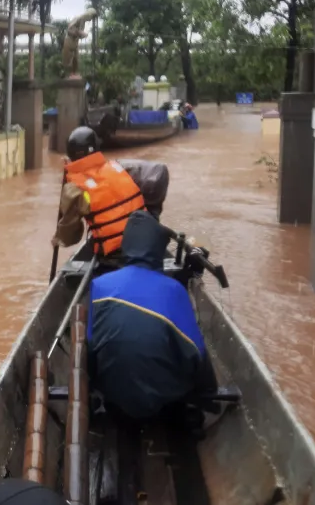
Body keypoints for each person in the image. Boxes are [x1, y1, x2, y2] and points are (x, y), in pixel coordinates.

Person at [88, 209, 218, 421]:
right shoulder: (174, 290)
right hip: (164, 400)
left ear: (125, 245)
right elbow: (197, 352)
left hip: (112, 394)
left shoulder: (99, 285)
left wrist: (93, 385)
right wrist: (208, 394)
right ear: (158, 249)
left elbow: (90, 346)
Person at [51, 126, 148, 259]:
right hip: (146, 238)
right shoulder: (117, 167)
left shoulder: (75, 188)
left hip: (114, 251)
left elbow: (69, 238)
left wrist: (57, 239)